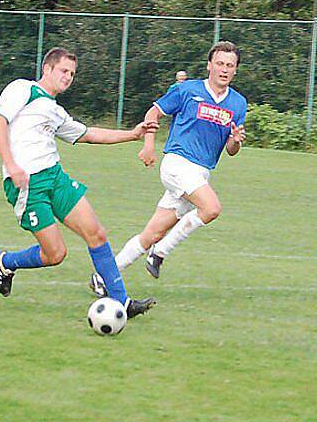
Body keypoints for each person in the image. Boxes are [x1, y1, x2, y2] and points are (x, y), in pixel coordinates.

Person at [0, 47, 158, 317]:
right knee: (55, 254)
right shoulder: (23, 89)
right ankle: (7, 261)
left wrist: (132, 134)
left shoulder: (55, 111)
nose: (68, 77)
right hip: (27, 184)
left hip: (55, 178)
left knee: (97, 233)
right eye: (63, 71)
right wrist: (11, 165)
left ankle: (121, 301)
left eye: (72, 73)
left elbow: (88, 134)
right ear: (47, 69)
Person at [90, 41, 247, 297]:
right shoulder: (186, 90)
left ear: (236, 70)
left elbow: (230, 149)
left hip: (200, 173)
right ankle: (160, 252)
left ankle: (102, 277)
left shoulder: (238, 103)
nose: (224, 69)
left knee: (151, 233)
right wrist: (148, 146)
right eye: (220, 63)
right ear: (209, 65)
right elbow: (153, 113)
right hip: (176, 164)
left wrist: (235, 141)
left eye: (230, 65)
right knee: (211, 208)